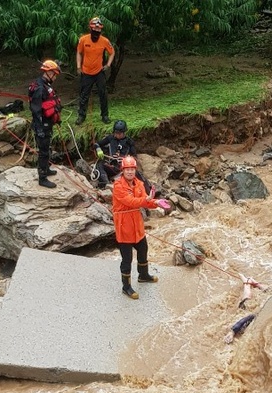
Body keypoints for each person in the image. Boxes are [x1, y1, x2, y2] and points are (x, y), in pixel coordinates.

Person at [112, 155, 169, 300]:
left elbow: (144, 201)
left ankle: (143, 275)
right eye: (127, 169)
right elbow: (131, 201)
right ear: (123, 170)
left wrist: (156, 202)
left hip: (136, 223)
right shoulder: (118, 186)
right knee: (127, 258)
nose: (130, 172)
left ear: (135, 170)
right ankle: (126, 287)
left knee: (143, 249)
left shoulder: (138, 183)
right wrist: (147, 199)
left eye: (132, 169)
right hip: (124, 224)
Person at [76, 17, 115, 126]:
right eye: (95, 29)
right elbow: (79, 52)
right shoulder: (83, 40)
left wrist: (108, 65)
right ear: (91, 29)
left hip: (99, 72)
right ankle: (81, 116)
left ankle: (105, 115)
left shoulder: (105, 41)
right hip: (86, 72)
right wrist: (78, 66)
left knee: (103, 94)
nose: (97, 32)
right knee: (84, 95)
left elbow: (112, 52)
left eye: (99, 30)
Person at [29, 59, 62, 188]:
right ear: (49, 73)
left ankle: (46, 169)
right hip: (42, 125)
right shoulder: (39, 88)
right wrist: (39, 129)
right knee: (43, 151)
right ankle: (42, 178)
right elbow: (36, 110)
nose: (55, 77)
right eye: (54, 74)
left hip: (48, 123)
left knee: (47, 148)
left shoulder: (45, 85)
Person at [94, 120, 151, 192]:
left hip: (123, 168)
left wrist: (126, 159)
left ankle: (149, 190)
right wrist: (98, 149)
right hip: (112, 166)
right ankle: (106, 185)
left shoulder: (129, 142)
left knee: (136, 172)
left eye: (119, 133)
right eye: (115, 133)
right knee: (100, 164)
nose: (117, 135)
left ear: (124, 133)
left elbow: (134, 157)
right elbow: (96, 144)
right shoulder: (110, 138)